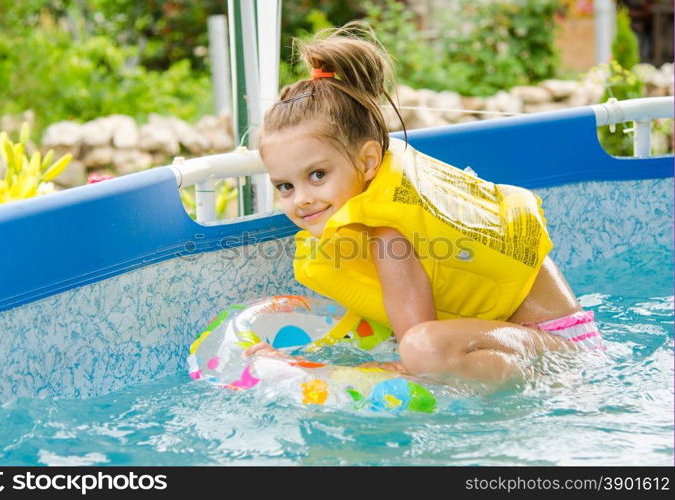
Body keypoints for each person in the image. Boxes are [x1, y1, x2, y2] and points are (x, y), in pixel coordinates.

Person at [248, 21, 603, 385]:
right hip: (549, 342)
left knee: (421, 347)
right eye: (285, 186)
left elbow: (415, 363)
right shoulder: (389, 199)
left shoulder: (389, 235)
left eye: (318, 175)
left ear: (368, 162)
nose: (302, 199)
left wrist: (302, 370)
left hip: (559, 354)